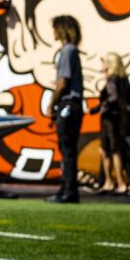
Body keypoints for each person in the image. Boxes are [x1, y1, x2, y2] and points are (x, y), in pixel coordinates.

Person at [44, 16, 84, 203]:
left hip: (69, 104)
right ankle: (66, 189)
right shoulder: (69, 50)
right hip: (71, 105)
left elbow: (62, 82)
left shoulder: (68, 51)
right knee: (67, 150)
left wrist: (51, 103)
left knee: (67, 150)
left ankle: (68, 191)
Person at [97, 52, 130, 194]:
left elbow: (113, 97)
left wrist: (100, 108)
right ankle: (112, 181)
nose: (103, 63)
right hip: (119, 118)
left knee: (112, 150)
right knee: (110, 149)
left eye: (105, 61)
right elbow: (129, 101)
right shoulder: (123, 79)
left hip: (111, 119)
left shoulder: (112, 79)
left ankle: (117, 182)